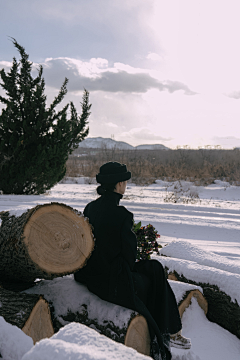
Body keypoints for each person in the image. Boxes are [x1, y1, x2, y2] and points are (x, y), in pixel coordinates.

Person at [74, 162, 191, 360]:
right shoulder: (122, 215)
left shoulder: (90, 208)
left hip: (90, 275)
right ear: (118, 184)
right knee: (154, 273)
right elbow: (128, 259)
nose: (126, 185)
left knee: (153, 268)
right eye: (124, 181)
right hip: (112, 283)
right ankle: (168, 332)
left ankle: (169, 331)